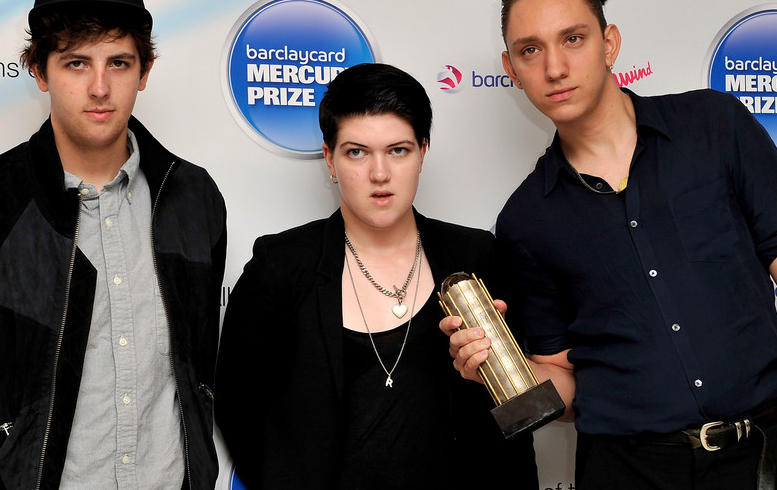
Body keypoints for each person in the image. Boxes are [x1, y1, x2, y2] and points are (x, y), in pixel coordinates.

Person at [443, 0, 777, 490]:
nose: (554, 67)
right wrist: (498, 371)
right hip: (625, 471)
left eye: (573, 39)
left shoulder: (716, 128)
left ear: (610, 43)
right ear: (511, 69)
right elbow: (564, 385)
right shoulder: (524, 220)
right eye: (530, 50)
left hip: (761, 461)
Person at [0, 0, 226, 489]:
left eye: (118, 62)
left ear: (145, 71)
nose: (99, 87)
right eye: (75, 63)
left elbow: (195, 372)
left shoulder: (192, 199)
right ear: (40, 72)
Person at [214, 63, 537, 490]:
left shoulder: (476, 256)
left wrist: (495, 368)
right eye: (356, 152)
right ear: (330, 158)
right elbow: (236, 402)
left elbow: (524, 407)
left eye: (398, 150)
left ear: (423, 151)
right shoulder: (281, 264)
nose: (379, 174)